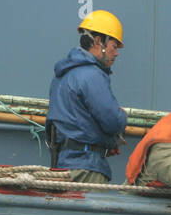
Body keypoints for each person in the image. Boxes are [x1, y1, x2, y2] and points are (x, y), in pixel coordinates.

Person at [46, 10, 128, 185]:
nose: (116, 53)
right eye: (114, 46)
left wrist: (105, 142)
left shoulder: (62, 75)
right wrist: (122, 117)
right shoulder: (92, 76)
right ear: (99, 42)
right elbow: (112, 120)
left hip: (63, 163)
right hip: (86, 167)